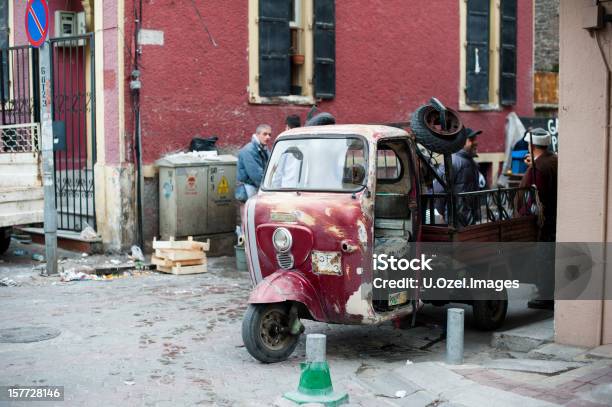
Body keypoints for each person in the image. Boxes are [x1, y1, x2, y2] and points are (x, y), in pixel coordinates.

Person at [519, 127, 557, 310]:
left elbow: (535, 197)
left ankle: (546, 296)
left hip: (545, 220)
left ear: (532, 145)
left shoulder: (539, 168)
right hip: (555, 216)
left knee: (544, 257)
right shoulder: (553, 159)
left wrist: (524, 215)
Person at [433, 128, 482, 226]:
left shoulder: (472, 163)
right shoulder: (453, 162)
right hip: (455, 219)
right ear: (461, 143)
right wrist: (440, 213)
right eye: (472, 139)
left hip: (469, 217)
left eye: (475, 139)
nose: (476, 142)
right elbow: (439, 190)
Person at [235, 124, 272, 202]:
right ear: (257, 134)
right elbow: (256, 174)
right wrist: (268, 188)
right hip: (249, 188)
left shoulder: (264, 148)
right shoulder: (249, 150)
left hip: (256, 187)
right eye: (265, 134)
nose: (268, 137)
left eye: (269, 134)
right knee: (249, 212)